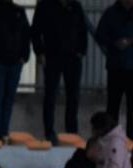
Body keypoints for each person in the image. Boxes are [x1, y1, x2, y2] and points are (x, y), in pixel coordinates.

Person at [95, 0, 133, 142]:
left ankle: (131, 138)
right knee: (112, 105)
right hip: (116, 66)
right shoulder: (110, 13)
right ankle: (111, 137)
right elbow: (100, 35)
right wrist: (114, 43)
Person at [31, 0, 88, 144]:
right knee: (50, 95)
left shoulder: (75, 6)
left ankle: (71, 132)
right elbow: (35, 31)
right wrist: (40, 52)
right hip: (52, 57)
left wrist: (81, 51)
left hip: (73, 58)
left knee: (73, 96)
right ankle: (49, 132)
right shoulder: (45, 5)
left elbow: (82, 30)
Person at [0, 0, 31, 141]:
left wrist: (24, 56)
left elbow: (26, 34)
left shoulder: (19, 11)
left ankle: (4, 131)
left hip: (15, 62)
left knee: (8, 98)